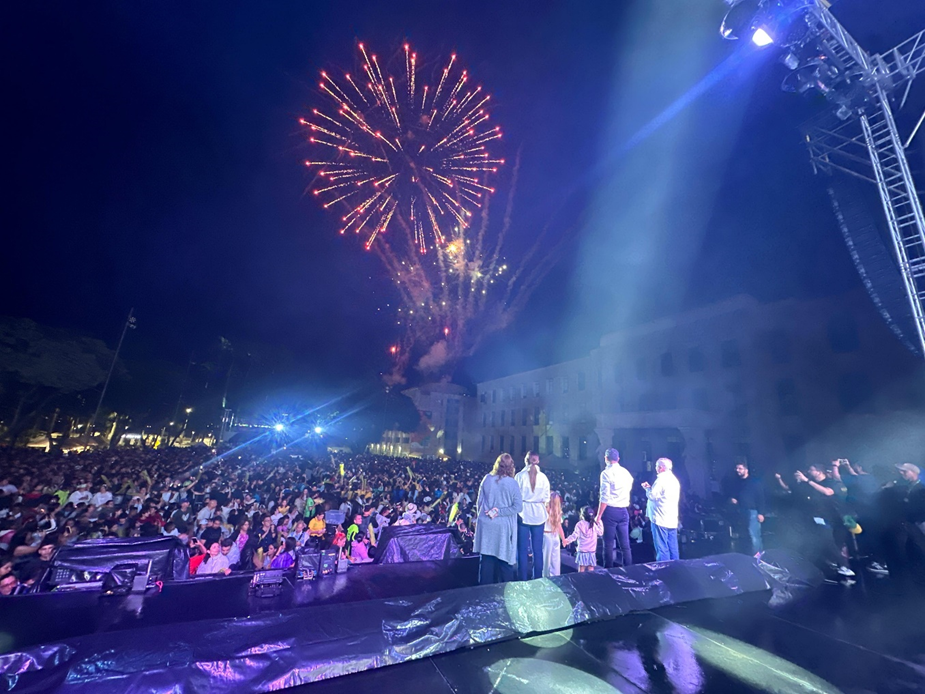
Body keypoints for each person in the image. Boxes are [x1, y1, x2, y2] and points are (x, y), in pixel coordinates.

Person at [473, 454, 523, 584]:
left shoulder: (487, 479)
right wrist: (499, 512)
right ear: (511, 466)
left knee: (487, 561)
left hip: (487, 525)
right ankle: (506, 595)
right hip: (503, 528)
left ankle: (483, 595)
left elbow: (479, 502)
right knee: (504, 560)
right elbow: (518, 507)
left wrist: (486, 516)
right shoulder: (512, 483)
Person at [514, 451, 551, 580]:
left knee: (522, 550)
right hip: (538, 515)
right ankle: (538, 578)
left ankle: (522, 579)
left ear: (526, 460)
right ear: (538, 461)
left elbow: (515, 496)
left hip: (523, 514)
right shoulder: (544, 478)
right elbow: (547, 498)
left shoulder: (519, 476)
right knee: (537, 550)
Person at [595, 448, 634, 568]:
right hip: (623, 510)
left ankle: (608, 572)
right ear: (618, 459)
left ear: (606, 458)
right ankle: (629, 569)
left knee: (608, 544)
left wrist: (599, 515)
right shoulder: (626, 472)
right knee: (625, 545)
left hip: (610, 511)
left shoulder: (606, 473)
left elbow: (604, 497)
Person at [643, 458, 681, 562]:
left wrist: (647, 489)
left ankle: (664, 571)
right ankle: (676, 568)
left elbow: (652, 496)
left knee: (662, 547)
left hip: (660, 518)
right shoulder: (674, 480)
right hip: (671, 518)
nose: (655, 468)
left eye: (656, 466)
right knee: (673, 546)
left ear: (661, 468)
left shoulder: (661, 480)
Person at [730, 462, 766, 554]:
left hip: (753, 512)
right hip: (742, 511)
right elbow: (737, 495)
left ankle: (758, 556)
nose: (738, 470)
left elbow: (761, 498)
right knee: (744, 535)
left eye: (740, 468)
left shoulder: (754, 482)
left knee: (753, 535)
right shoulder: (737, 483)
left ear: (746, 470)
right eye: (737, 469)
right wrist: (734, 500)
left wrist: (761, 513)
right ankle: (748, 554)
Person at [564, 506, 604, 572]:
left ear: (582, 515)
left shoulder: (579, 524)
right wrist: (599, 521)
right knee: (591, 569)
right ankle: (590, 581)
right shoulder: (594, 525)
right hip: (591, 551)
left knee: (581, 569)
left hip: (582, 551)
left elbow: (574, 536)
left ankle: (581, 581)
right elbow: (600, 533)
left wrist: (567, 541)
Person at [543, 491, 565, 577]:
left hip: (547, 535)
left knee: (546, 560)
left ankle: (545, 577)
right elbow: (559, 527)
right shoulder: (558, 511)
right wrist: (563, 539)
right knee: (555, 560)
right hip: (555, 536)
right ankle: (556, 577)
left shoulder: (545, 510)